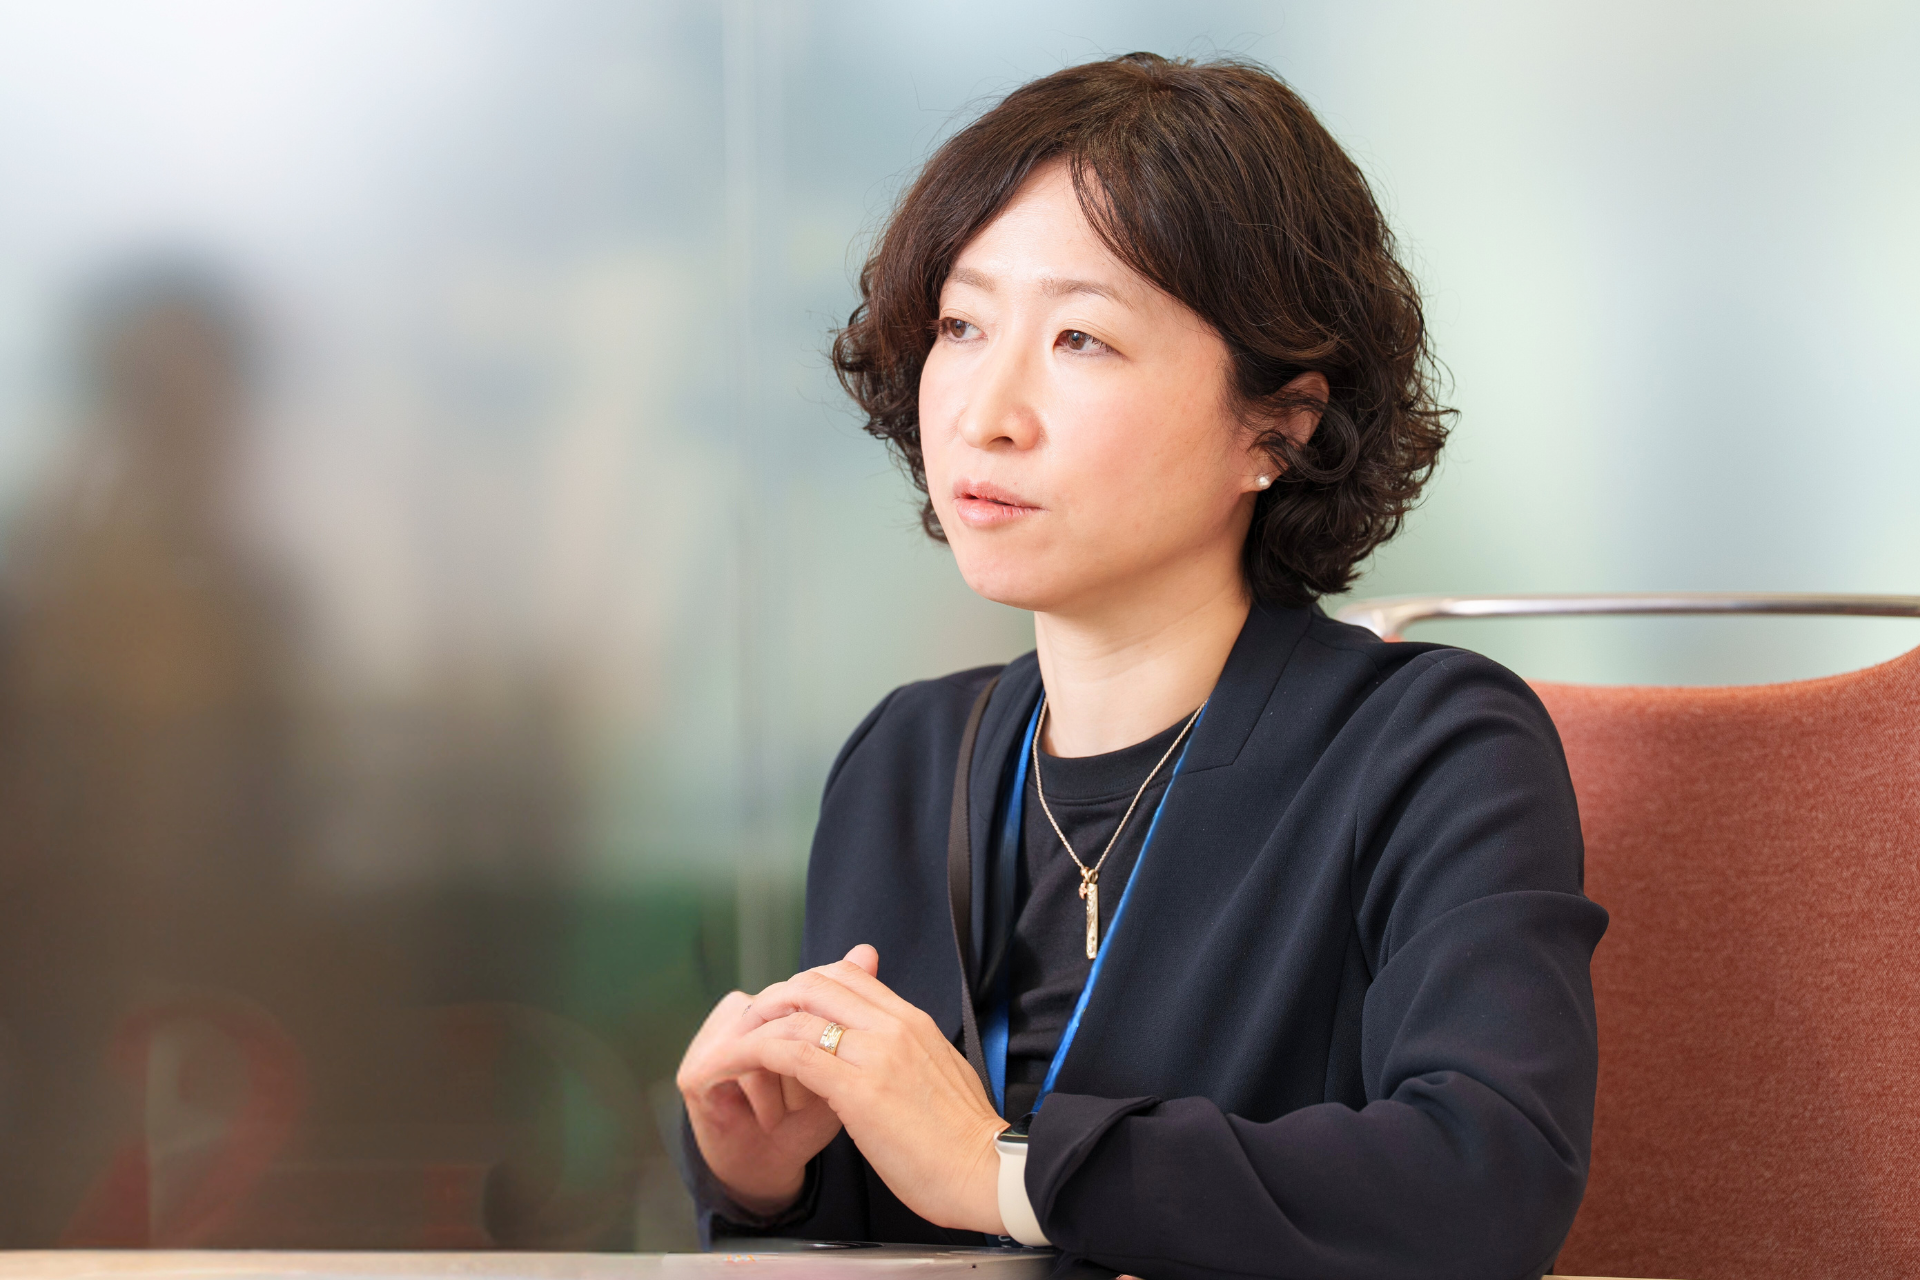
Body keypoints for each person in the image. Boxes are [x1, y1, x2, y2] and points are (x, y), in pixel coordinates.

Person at [675, 52, 1606, 1280]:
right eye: (961, 324)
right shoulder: (903, 759)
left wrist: (1004, 1167)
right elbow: (896, 1222)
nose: (986, 411)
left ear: (1280, 423)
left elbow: (1487, 1179)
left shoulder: (1435, 746)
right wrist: (768, 1173)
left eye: (1081, 338)